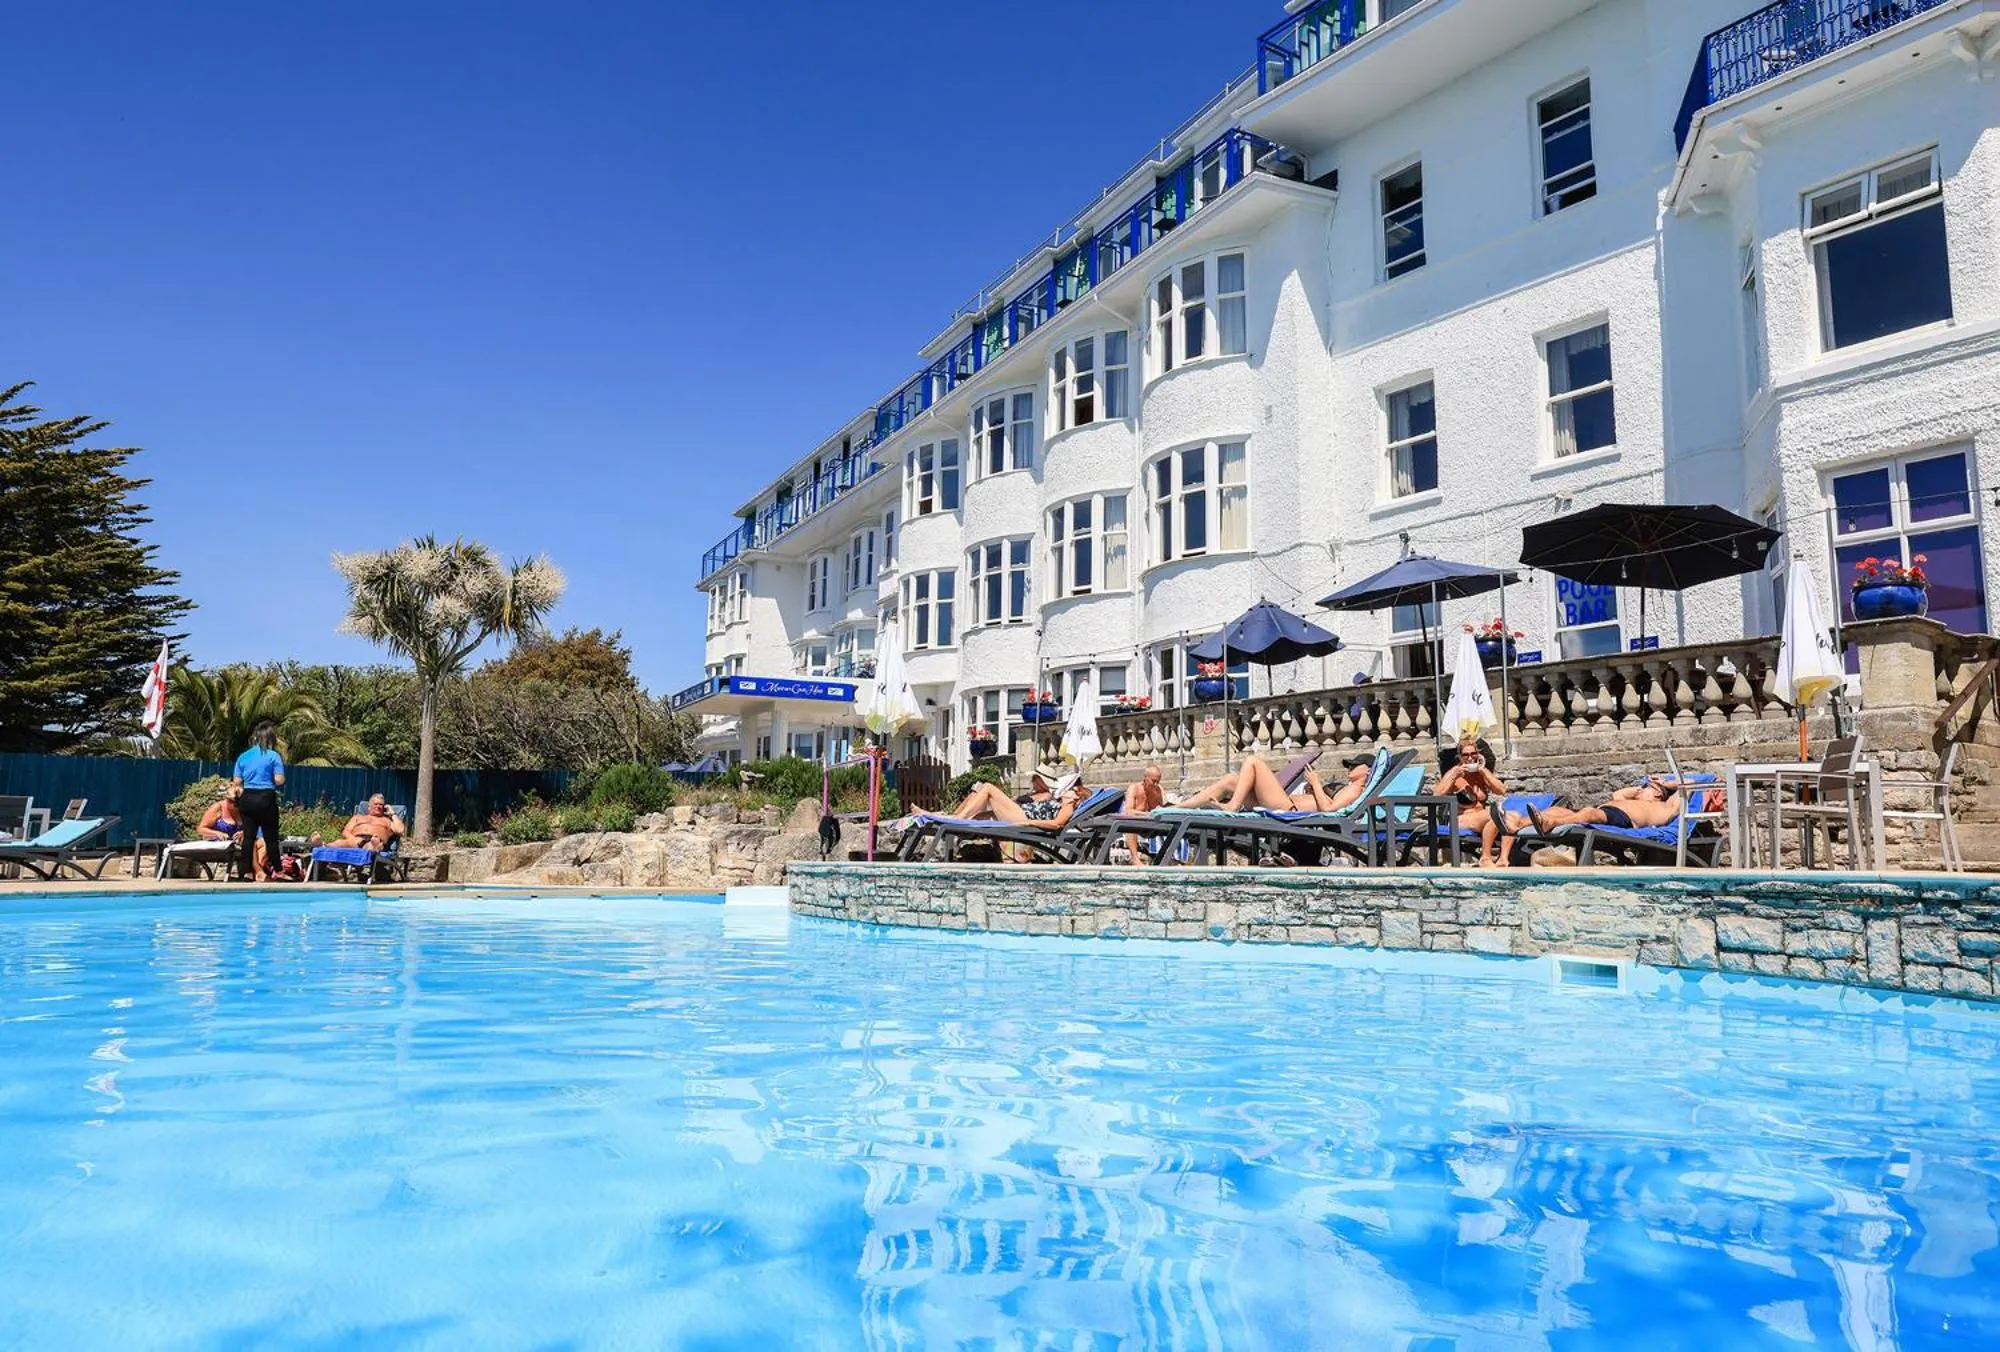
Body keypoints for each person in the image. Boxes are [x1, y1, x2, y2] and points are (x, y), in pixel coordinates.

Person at [1176, 753, 1371, 814]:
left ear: (1368, 770)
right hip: (1284, 802)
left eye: (1355, 765)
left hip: (1288, 808)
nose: (1350, 768)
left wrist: (1317, 784)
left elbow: (1329, 810)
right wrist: (1314, 789)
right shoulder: (1347, 787)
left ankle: (1233, 806)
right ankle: (1178, 807)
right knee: (1229, 781)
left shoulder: (1355, 791)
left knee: (1253, 761)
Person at [1434, 737, 1507, 864]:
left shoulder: (1481, 773)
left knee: (1511, 817)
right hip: (1461, 819)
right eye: (1465, 755)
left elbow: (1501, 790)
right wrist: (1454, 777)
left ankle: (1504, 859)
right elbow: (1436, 795)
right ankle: (1485, 858)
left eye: (1473, 754)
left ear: (1478, 755)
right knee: (1495, 815)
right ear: (1460, 757)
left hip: (1482, 818)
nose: (1470, 758)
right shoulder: (1455, 772)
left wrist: (1483, 770)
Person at [231, 722, 286, 882]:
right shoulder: (273, 756)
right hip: (265, 798)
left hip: (247, 798)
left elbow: (237, 782)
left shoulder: (243, 756)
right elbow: (279, 780)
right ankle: (279, 871)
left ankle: (246, 872)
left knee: (248, 837)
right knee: (271, 837)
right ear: (271, 739)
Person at [950, 769, 1088, 832]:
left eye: (1067, 790)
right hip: (1020, 813)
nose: (1063, 793)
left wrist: (1028, 822)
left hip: (1022, 816)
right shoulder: (1062, 803)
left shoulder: (1068, 806)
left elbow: (1057, 824)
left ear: (1075, 795)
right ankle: (953, 817)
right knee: (977, 817)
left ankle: (957, 819)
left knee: (987, 787)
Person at [195, 786, 267, 876]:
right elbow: (201, 829)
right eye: (232, 803)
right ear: (228, 800)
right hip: (221, 843)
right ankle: (257, 871)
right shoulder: (218, 808)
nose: (236, 807)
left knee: (265, 843)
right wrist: (217, 833)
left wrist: (245, 832)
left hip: (240, 843)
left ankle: (255, 870)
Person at [1120, 765, 1167, 866]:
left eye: (1158, 781)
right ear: (1145, 778)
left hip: (1153, 824)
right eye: (1153, 781)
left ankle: (1170, 859)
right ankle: (1135, 858)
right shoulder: (1134, 788)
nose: (1155, 784)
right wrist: (1146, 814)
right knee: (1130, 823)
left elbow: (1163, 808)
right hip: (1137, 822)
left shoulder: (1158, 790)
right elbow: (1128, 811)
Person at [335, 794, 406, 851]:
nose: (378, 806)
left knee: (373, 844)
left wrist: (393, 813)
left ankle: (367, 862)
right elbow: (345, 831)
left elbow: (400, 830)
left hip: (376, 842)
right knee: (337, 843)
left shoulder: (387, 820)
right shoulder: (358, 817)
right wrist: (354, 839)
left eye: (381, 805)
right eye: (376, 804)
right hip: (355, 841)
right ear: (369, 807)